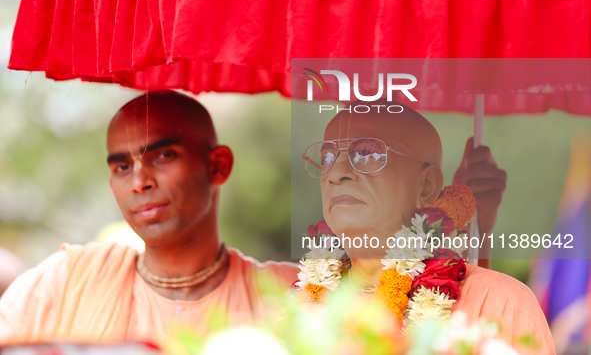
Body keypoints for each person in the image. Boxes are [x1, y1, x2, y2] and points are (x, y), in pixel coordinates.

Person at [0, 91, 298, 345]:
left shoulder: (294, 295)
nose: (139, 181)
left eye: (164, 155)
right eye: (122, 167)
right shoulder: (66, 282)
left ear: (218, 166)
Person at [307, 100, 554, 353]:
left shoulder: (500, 302)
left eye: (368, 153)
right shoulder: (292, 299)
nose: (336, 173)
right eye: (327, 157)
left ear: (426, 185)